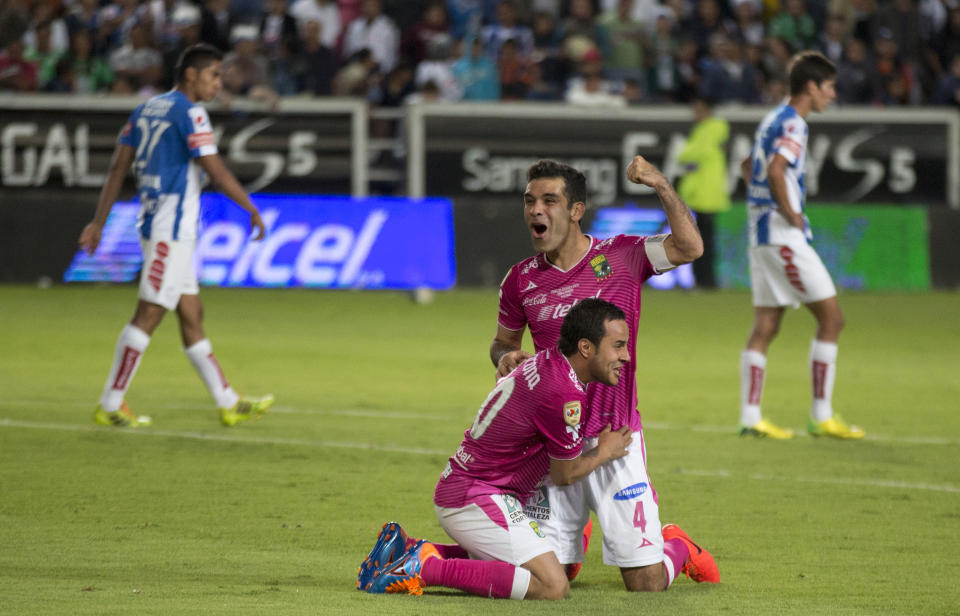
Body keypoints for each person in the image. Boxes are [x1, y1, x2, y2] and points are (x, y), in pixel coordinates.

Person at [491, 158, 717, 590]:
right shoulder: (519, 280)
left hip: (616, 435)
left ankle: (678, 545)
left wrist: (661, 186)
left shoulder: (623, 256)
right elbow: (502, 342)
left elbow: (690, 248)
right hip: (555, 443)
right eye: (530, 200)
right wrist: (504, 357)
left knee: (647, 583)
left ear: (576, 211)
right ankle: (574, 535)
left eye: (549, 200)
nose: (536, 210)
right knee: (549, 576)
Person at [357, 298, 635, 599]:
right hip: (476, 497)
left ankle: (408, 550)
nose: (627, 356)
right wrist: (605, 451)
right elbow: (564, 474)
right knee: (552, 585)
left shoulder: (548, 361)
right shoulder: (564, 394)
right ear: (585, 348)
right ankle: (419, 568)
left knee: (542, 564)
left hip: (473, 488)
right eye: (618, 345)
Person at [78, 43, 274, 429]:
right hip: (171, 229)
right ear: (191, 75)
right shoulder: (192, 113)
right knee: (150, 312)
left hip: (161, 225)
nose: (219, 83)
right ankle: (111, 402)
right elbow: (214, 171)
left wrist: (98, 221)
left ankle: (228, 401)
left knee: (191, 315)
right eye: (213, 74)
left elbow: (118, 168)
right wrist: (250, 208)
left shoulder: (145, 108)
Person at [738, 50, 864, 440]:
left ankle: (750, 417)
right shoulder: (795, 124)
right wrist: (791, 213)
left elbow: (749, 166)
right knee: (832, 319)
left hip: (761, 234)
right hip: (782, 235)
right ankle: (821, 415)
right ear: (811, 87)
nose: (832, 95)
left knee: (767, 324)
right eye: (828, 87)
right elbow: (776, 169)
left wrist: (762, 203)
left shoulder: (772, 118)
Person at [677, 95, 730, 288]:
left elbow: (688, 154)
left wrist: (689, 154)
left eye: (698, 109)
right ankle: (705, 281)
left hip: (706, 195)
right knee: (703, 239)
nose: (695, 114)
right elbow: (689, 155)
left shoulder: (711, 130)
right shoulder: (705, 132)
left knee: (702, 241)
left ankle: (705, 281)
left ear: (707, 111)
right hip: (703, 195)